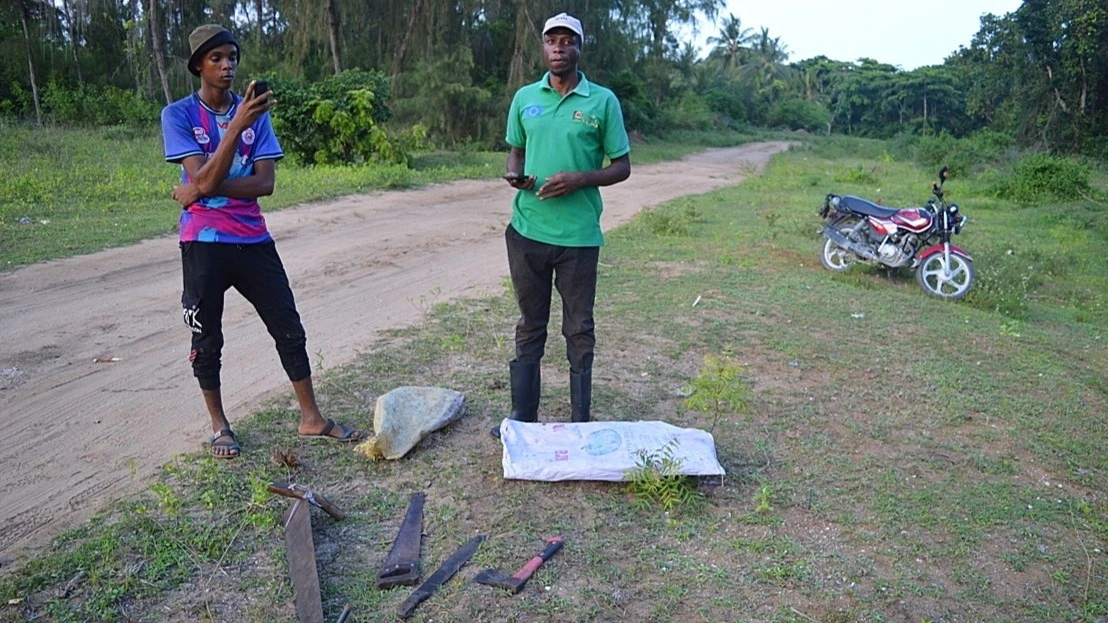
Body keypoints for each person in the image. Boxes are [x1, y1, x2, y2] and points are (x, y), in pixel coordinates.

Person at [162, 24, 363, 458]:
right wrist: (231, 134)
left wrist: (201, 188)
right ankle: (220, 426)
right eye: (216, 58)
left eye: (232, 56)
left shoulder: (255, 112)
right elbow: (204, 175)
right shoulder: (178, 115)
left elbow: (265, 184)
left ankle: (311, 418)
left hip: (252, 238)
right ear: (199, 65)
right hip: (204, 240)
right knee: (206, 337)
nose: (227, 65)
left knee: (288, 326)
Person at [493, 13, 632, 437]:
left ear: (578, 49)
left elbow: (622, 166)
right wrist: (516, 176)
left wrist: (580, 179)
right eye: (551, 41)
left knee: (579, 327)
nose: (558, 48)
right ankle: (524, 417)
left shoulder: (601, 101)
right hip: (527, 232)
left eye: (567, 41)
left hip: (578, 237)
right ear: (543, 48)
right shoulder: (525, 98)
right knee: (530, 324)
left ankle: (580, 422)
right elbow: (515, 150)